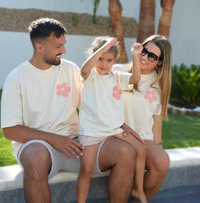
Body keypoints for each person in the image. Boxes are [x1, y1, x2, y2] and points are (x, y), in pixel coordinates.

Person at [1, 18, 136, 203]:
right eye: (58, 46)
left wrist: (119, 124)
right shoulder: (16, 78)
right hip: (41, 147)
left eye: (63, 45)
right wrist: (54, 139)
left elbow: (91, 105)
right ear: (39, 47)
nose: (63, 50)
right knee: (34, 157)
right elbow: (10, 130)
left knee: (125, 151)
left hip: (77, 145)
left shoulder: (71, 70)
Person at [77, 36, 147, 203]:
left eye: (109, 60)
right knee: (86, 170)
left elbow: (135, 79)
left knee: (141, 149)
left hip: (114, 129)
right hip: (92, 132)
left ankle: (139, 189)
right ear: (94, 56)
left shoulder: (116, 77)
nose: (103, 63)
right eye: (100, 58)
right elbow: (84, 70)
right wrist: (103, 48)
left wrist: (135, 56)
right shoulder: (91, 76)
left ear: (114, 60)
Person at [112, 34, 172, 200]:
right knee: (127, 155)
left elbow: (156, 120)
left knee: (162, 161)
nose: (144, 57)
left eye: (152, 56)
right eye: (144, 50)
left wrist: (158, 146)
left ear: (160, 62)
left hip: (143, 138)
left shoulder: (158, 84)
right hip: (116, 134)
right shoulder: (117, 71)